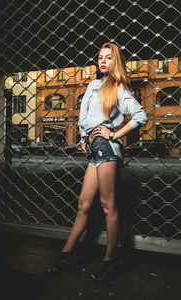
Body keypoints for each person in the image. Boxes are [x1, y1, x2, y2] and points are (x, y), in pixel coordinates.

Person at [47, 42, 148, 281]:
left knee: (107, 206)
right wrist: (84, 137)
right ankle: (67, 254)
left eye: (108, 57)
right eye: (100, 57)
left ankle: (110, 260)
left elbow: (140, 116)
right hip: (93, 148)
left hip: (108, 148)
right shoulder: (92, 85)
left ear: (116, 61)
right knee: (83, 204)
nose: (102, 61)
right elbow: (84, 117)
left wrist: (114, 134)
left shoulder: (120, 88)